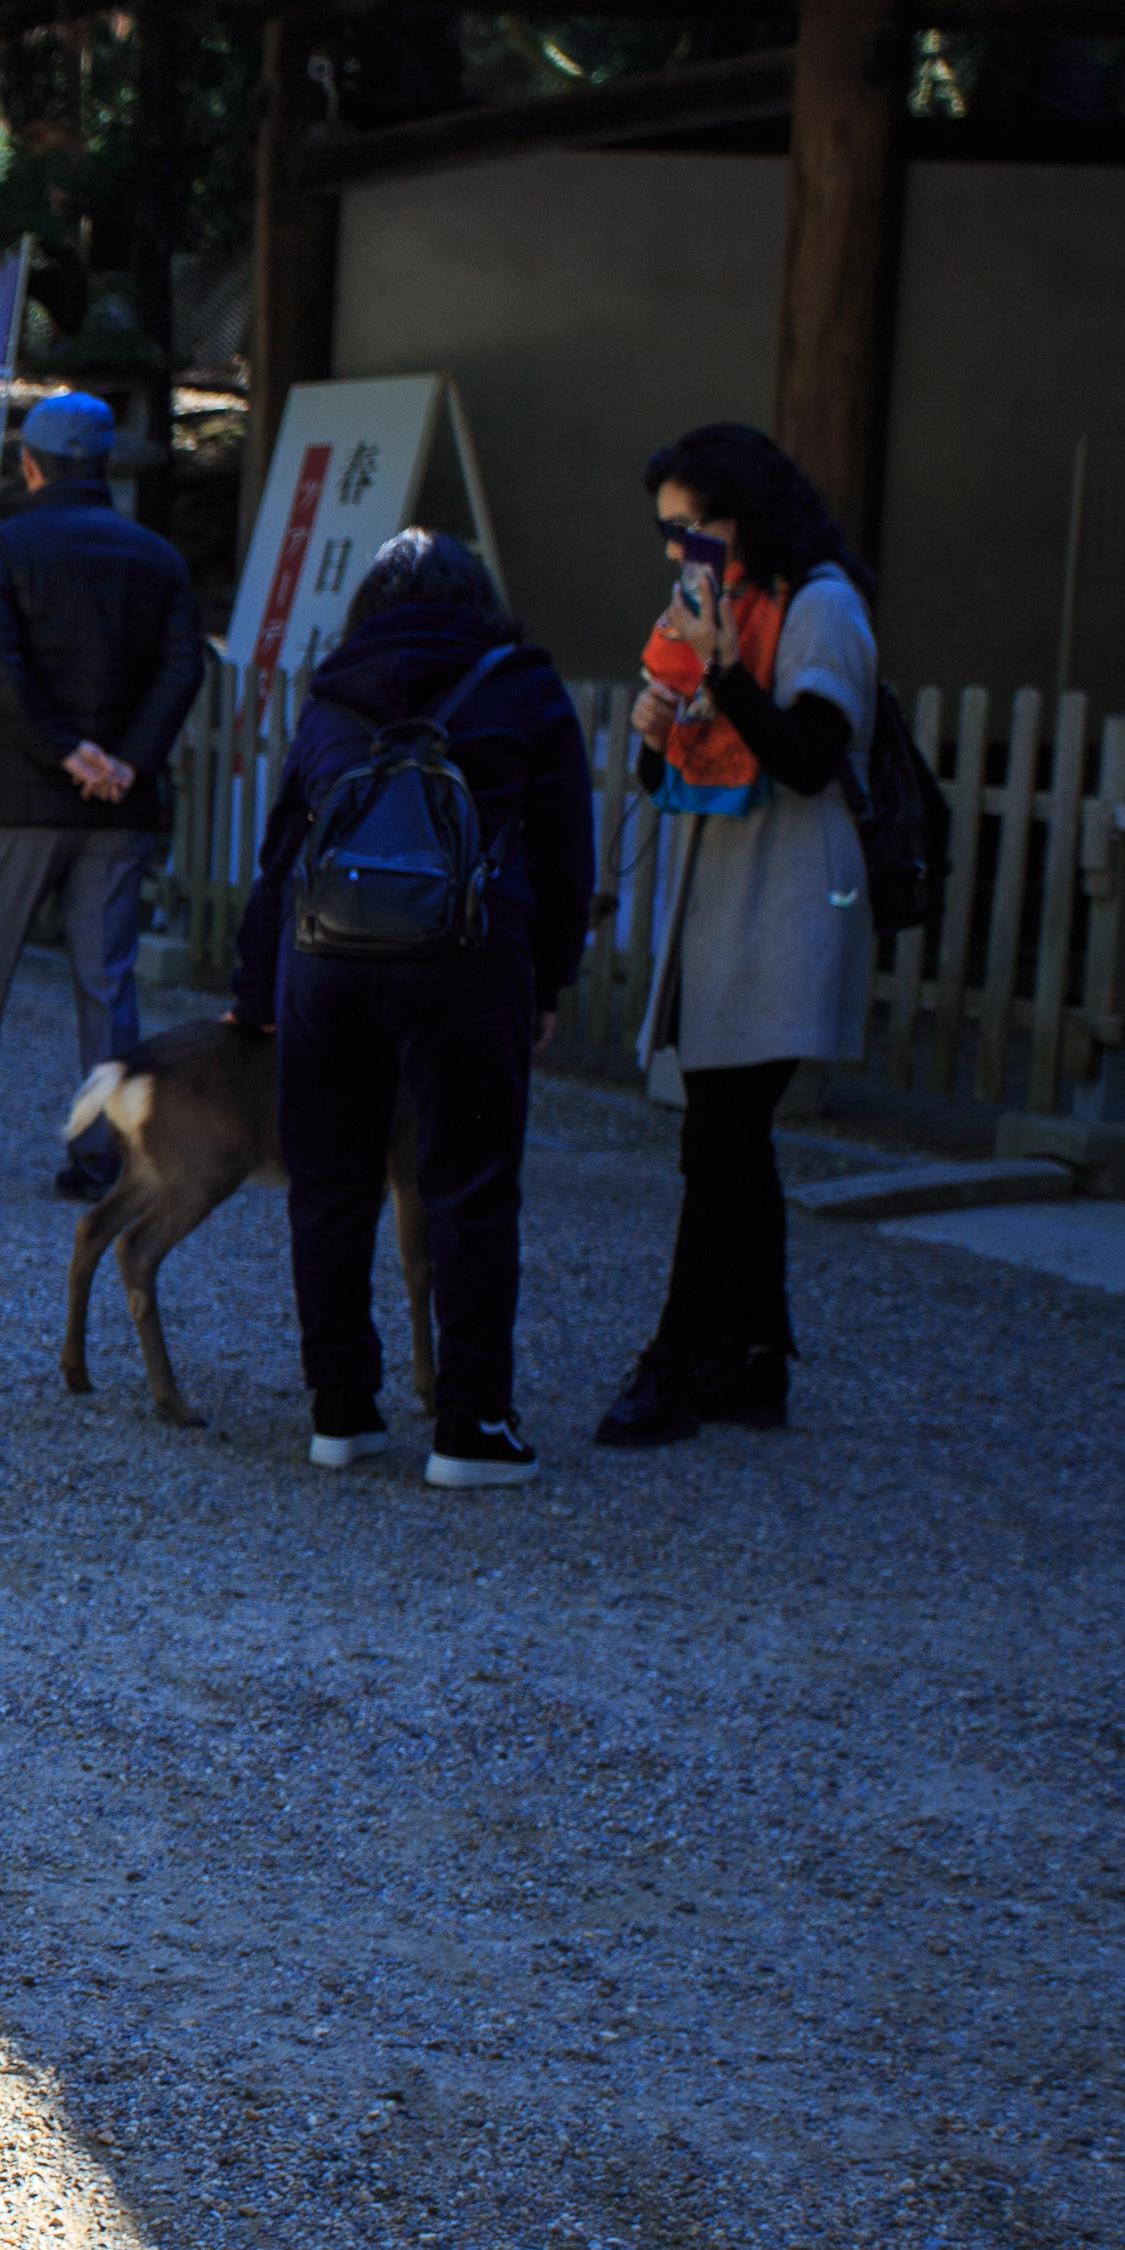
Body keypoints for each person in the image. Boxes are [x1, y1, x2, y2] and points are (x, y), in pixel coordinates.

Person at [229, 529, 597, 1486]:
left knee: (330, 1180)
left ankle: (341, 1410)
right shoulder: (521, 685)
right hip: (469, 956)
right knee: (469, 1181)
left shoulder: (332, 695)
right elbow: (564, 850)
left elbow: (283, 851)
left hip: (325, 957)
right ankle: (472, 1426)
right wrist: (547, 979)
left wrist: (252, 988)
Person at [595, 422, 883, 1449]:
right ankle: (754, 1359)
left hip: (794, 892)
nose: (680, 551)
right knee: (728, 1135)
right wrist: (656, 722)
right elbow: (675, 767)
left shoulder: (820, 606)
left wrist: (721, 675)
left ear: (743, 514)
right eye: (670, 533)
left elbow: (809, 754)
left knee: (719, 1131)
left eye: (694, 526)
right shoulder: (719, 609)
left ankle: (679, 1356)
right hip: (729, 887)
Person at [0, 388, 210, 1195]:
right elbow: (181, 669)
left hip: (24, 793)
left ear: (31, 465)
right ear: (101, 465)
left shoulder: (4, 551)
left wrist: (68, 753)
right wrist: (125, 760)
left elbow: (2, 672)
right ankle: (104, 1151)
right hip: (120, 803)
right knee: (107, 977)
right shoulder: (157, 558)